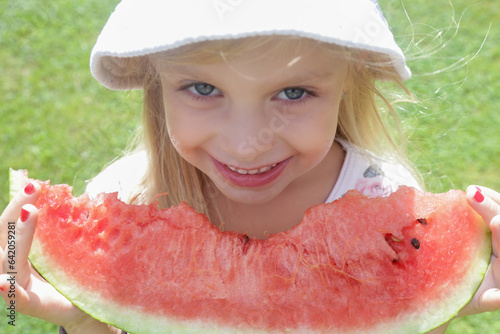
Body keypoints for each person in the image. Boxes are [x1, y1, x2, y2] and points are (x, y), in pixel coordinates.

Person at [0, 0, 499, 333]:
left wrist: (424, 314)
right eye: (203, 89)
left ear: (350, 81)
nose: (245, 147)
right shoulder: (126, 197)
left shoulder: (387, 200)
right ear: (156, 83)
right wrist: (88, 322)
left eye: (293, 92)